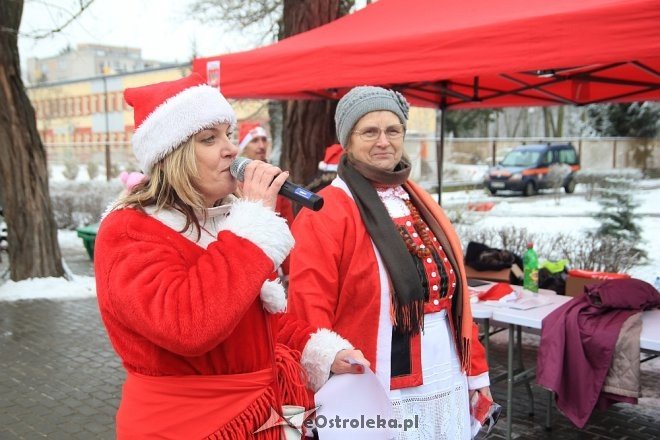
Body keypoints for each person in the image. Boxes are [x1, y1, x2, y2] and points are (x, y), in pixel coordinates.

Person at [94, 73, 368, 439]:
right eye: (210, 139)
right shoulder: (128, 231)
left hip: (255, 417)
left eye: (229, 135)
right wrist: (251, 225)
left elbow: (259, 319)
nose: (230, 149)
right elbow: (188, 325)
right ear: (170, 155)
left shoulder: (224, 220)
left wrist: (319, 351)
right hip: (185, 427)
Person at [288, 86, 491, 439]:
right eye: (370, 131)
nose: (384, 141)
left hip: (444, 369)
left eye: (392, 130)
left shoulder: (420, 200)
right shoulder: (326, 210)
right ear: (347, 142)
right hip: (377, 379)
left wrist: (476, 374)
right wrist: (317, 384)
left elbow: (457, 297)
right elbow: (308, 310)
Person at [239, 122, 295, 277]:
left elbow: (287, 227)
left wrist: (290, 271)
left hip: (270, 267)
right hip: (239, 262)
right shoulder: (230, 182)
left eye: (264, 139)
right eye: (255, 141)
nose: (261, 145)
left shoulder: (276, 181)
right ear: (243, 146)